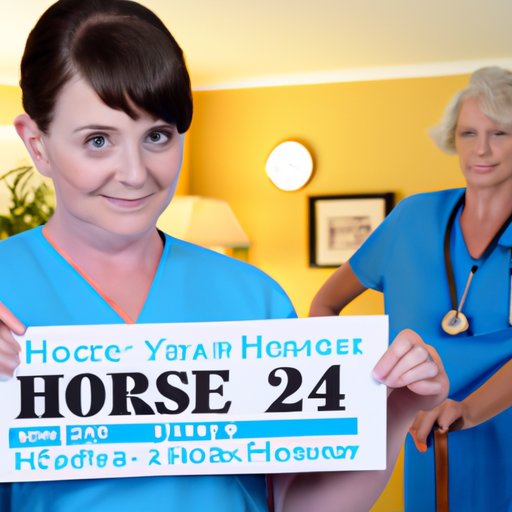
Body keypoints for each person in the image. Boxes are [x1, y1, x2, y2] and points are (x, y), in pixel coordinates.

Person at [0, 1, 448, 511]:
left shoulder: (253, 299)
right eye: (98, 140)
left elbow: (295, 504)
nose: (135, 172)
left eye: (157, 136)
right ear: (37, 144)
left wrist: (396, 409)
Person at [310, 66, 512, 511]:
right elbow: (325, 303)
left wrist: (468, 409)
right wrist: (354, 390)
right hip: (427, 444)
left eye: (499, 134)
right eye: (468, 133)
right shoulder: (411, 219)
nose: (481, 149)